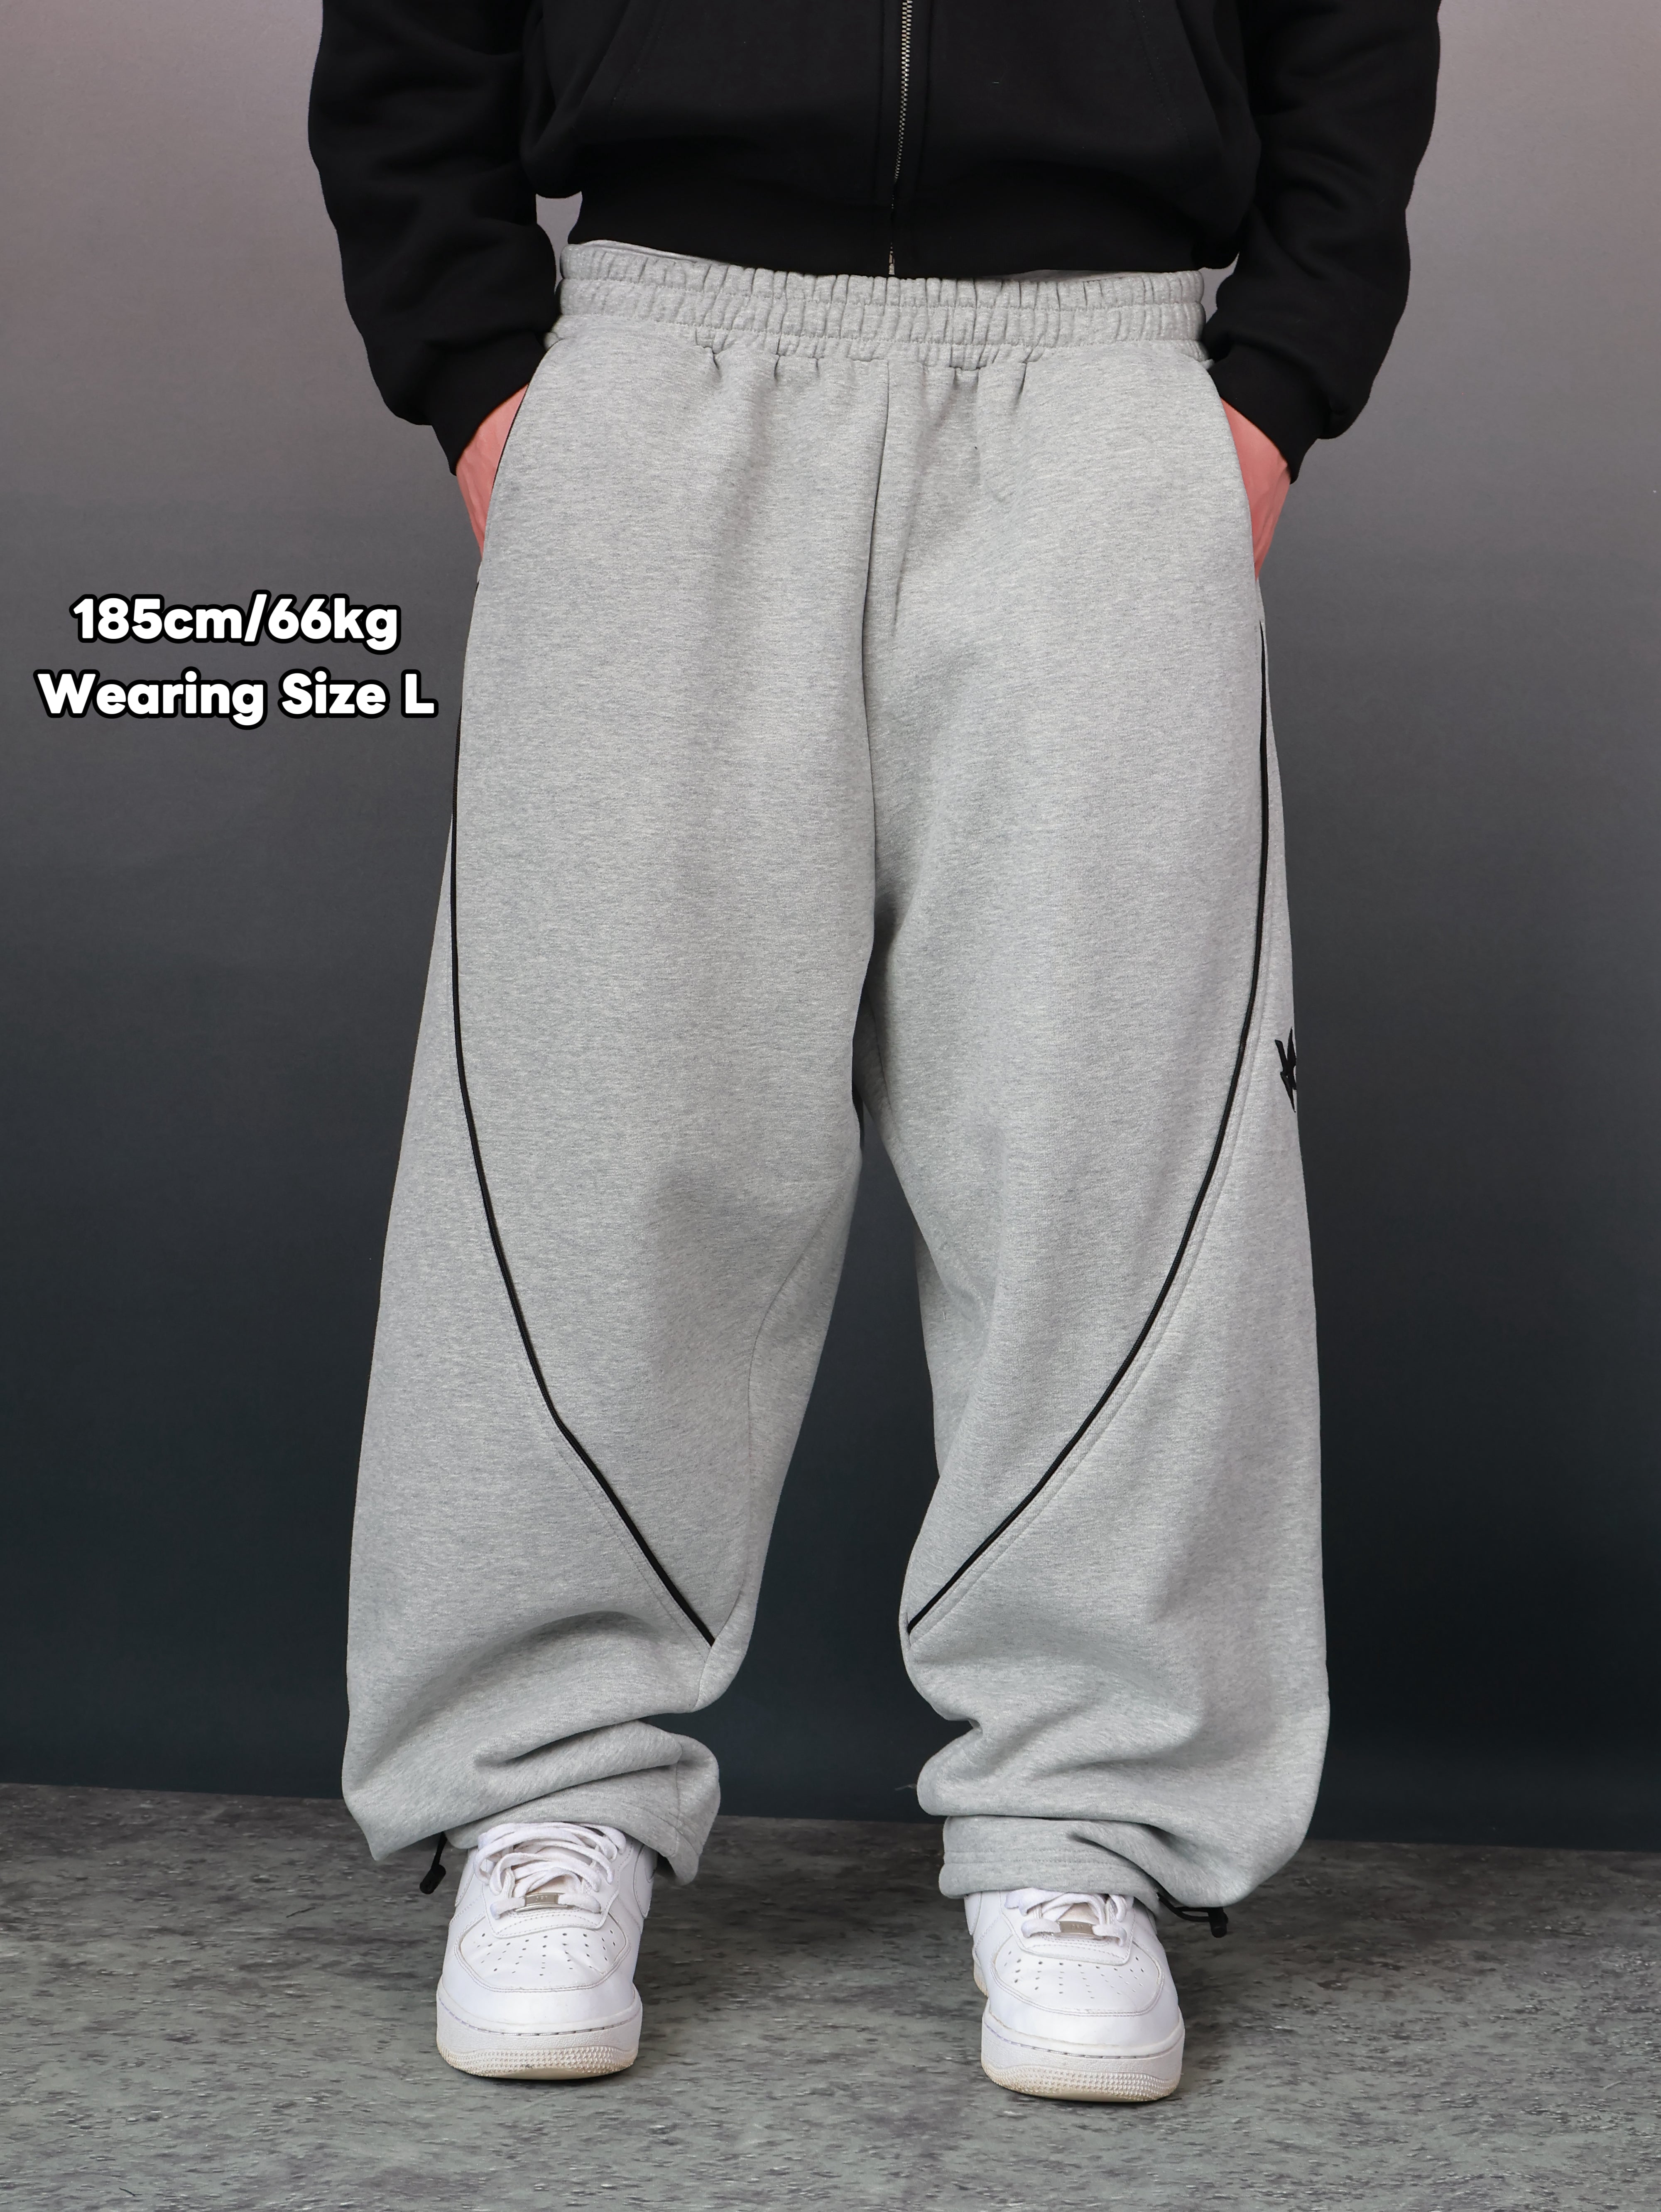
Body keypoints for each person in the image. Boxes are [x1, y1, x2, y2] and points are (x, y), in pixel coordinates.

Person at [309, 0, 1439, 2102]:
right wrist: (481, 379)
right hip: (661, 367)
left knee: (1115, 1149)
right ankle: (540, 1789)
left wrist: (1272, 389)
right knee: (588, 1130)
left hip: (1106, 386)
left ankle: (1089, 1822)